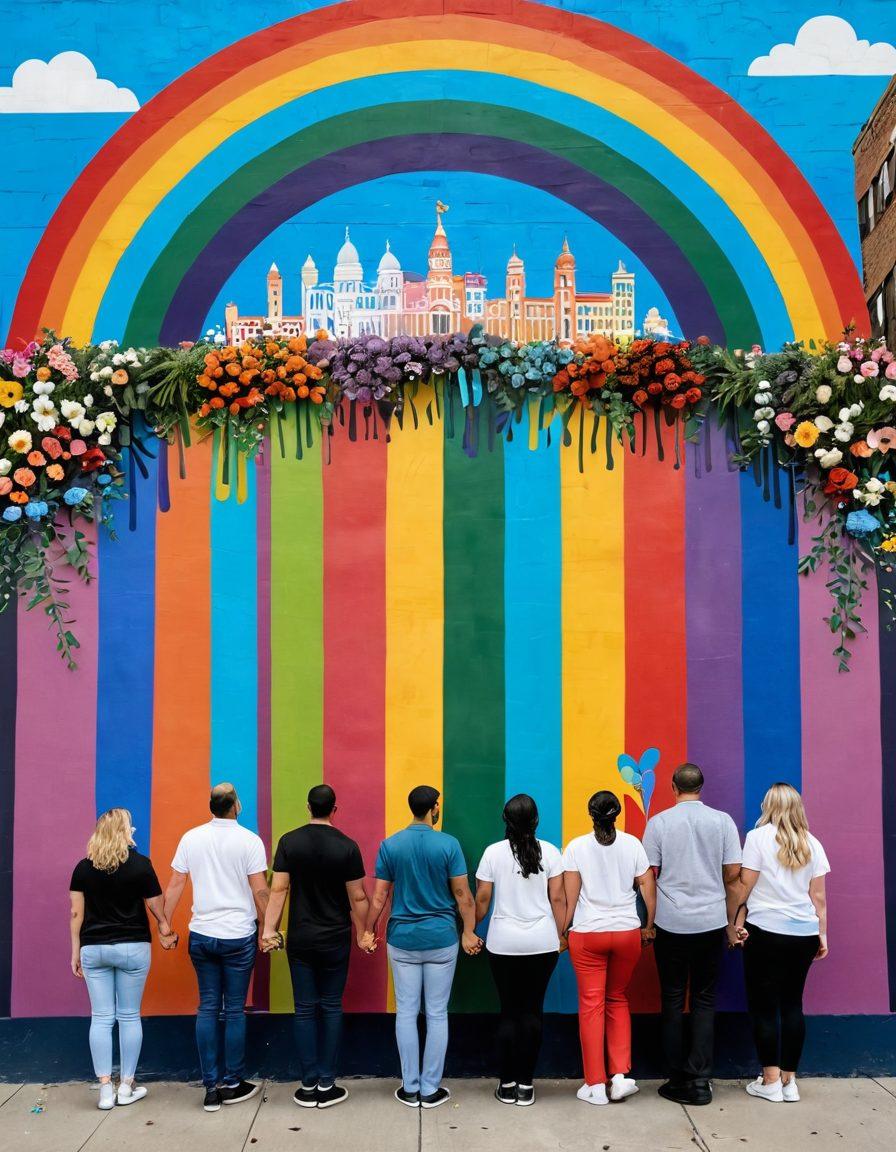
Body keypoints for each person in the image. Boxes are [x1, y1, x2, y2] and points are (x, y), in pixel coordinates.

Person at [366, 785, 481, 1109]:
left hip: (402, 939)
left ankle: (410, 1087)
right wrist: (469, 931)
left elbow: (379, 897)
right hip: (441, 939)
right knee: (436, 1013)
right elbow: (463, 896)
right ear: (433, 808)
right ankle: (430, 1089)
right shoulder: (448, 845)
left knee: (405, 1012)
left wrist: (367, 928)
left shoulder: (390, 846)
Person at [260, 784, 372, 1109]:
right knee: (332, 1007)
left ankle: (307, 1084)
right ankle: (327, 1082)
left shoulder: (289, 842)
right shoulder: (347, 847)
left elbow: (278, 889)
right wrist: (364, 932)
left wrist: (269, 929)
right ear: (334, 809)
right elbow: (359, 897)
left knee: (305, 1009)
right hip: (335, 937)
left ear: (308, 807)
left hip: (301, 938)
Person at [164, 783, 269, 1113]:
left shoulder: (191, 838)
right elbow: (260, 892)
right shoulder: (250, 841)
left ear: (212, 806)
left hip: (202, 933)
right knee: (234, 1008)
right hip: (238, 936)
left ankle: (210, 1087)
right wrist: (269, 929)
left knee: (208, 1006)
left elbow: (176, 884)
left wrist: (164, 926)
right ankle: (233, 1082)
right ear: (236, 805)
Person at [642, 763, 742, 1106]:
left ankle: (676, 1077)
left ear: (673, 787)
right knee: (704, 998)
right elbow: (732, 875)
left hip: (671, 921)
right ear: (701, 786)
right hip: (711, 921)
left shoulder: (658, 823)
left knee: (671, 998)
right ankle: (699, 1080)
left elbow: (647, 877)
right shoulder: (723, 822)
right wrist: (731, 921)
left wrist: (650, 923)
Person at [727, 783, 830, 1104]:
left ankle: (770, 1080)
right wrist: (822, 934)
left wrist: (732, 920)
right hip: (803, 934)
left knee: (764, 1006)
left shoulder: (757, 839)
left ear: (768, 806)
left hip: (766, 932)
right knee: (792, 1005)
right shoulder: (813, 843)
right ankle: (790, 1080)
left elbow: (745, 884)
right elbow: (819, 898)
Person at [69, 808, 176, 1109]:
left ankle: (105, 1090)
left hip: (94, 948)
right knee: (129, 1016)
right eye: (130, 826)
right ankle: (126, 1086)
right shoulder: (141, 865)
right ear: (124, 831)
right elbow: (157, 906)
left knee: (101, 1018)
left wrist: (75, 951)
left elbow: (76, 914)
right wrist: (166, 930)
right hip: (133, 946)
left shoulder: (82, 869)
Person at [562, 791, 656, 1106]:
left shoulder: (576, 847)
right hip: (627, 932)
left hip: (589, 934)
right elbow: (648, 886)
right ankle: (619, 1078)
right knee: (617, 999)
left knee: (591, 1006)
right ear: (616, 815)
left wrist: (564, 931)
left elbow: (569, 895)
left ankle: (594, 1085)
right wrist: (648, 925)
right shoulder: (633, 844)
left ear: (591, 815)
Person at [474, 794, 566, 1107]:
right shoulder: (551, 852)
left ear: (505, 820)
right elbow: (558, 900)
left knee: (510, 1011)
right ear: (536, 821)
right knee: (532, 1011)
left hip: (504, 945)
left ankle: (507, 1082)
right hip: (542, 943)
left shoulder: (492, 853)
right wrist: (561, 934)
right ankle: (526, 1085)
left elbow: (482, 901)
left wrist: (468, 930)